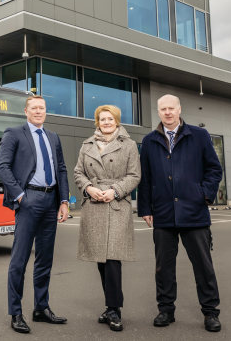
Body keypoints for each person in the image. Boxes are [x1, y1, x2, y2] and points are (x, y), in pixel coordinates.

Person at [138, 94, 223, 333]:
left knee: (203, 266)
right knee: (163, 267)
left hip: (194, 212)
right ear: (158, 112)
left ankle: (210, 312)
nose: (167, 112)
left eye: (171, 108)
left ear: (179, 109)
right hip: (163, 213)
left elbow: (214, 170)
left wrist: (203, 195)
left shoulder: (199, 135)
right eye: (163, 109)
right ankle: (166, 310)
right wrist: (145, 209)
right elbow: (145, 179)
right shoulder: (150, 140)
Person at [0, 95, 70, 334]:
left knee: (45, 259)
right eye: (34, 108)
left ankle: (41, 308)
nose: (39, 111)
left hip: (51, 200)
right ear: (26, 111)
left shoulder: (53, 137)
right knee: (19, 260)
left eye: (42, 108)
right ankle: (15, 312)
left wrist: (64, 200)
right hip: (28, 199)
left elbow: (61, 168)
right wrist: (20, 196)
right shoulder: (14, 133)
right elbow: (3, 167)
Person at [73, 105, 141, 332]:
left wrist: (115, 191)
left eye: (110, 119)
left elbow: (134, 175)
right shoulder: (87, 144)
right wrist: (89, 188)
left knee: (112, 258)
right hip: (94, 204)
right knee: (101, 259)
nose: (106, 122)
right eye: (102, 119)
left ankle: (115, 309)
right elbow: (78, 172)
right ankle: (109, 306)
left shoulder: (128, 145)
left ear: (117, 121)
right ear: (97, 122)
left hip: (116, 205)